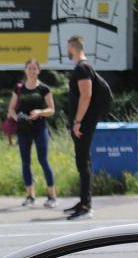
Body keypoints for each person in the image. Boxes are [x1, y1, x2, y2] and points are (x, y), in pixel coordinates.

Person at [63, 35, 112, 220]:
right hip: (84, 122)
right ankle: (83, 200)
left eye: (68, 48)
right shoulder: (84, 67)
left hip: (83, 123)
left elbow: (86, 96)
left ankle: (86, 206)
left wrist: (77, 122)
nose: (67, 51)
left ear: (72, 48)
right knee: (82, 162)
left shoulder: (82, 68)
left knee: (83, 163)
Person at [6, 58, 56, 207]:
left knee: (43, 160)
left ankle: (52, 196)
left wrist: (40, 112)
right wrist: (18, 117)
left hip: (40, 128)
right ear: (25, 70)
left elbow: (52, 110)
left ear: (39, 71)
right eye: (30, 68)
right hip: (23, 130)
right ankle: (30, 196)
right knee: (25, 162)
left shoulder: (44, 89)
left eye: (35, 68)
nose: (32, 71)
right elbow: (11, 110)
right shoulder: (19, 88)